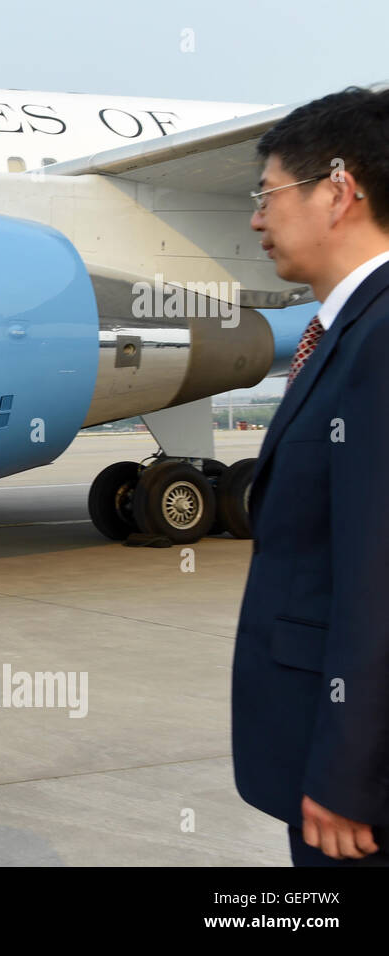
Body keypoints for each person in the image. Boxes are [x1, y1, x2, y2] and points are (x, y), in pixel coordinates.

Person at [233, 87, 389, 866]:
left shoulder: (380, 337)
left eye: (268, 195)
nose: (257, 219)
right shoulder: (349, 330)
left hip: (355, 793)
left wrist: (347, 771)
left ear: (337, 192)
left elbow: (378, 577)